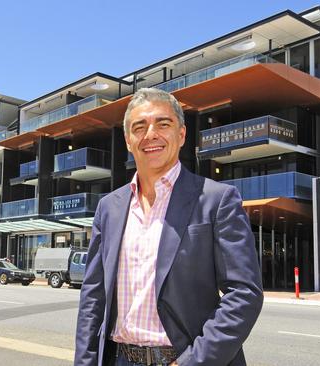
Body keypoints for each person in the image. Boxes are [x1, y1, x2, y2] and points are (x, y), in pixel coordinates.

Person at [75, 88, 263, 366]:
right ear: (128, 140)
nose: (150, 134)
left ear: (182, 134)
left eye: (163, 124)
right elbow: (93, 297)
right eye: (139, 127)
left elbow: (244, 294)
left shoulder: (217, 200)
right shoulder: (109, 208)